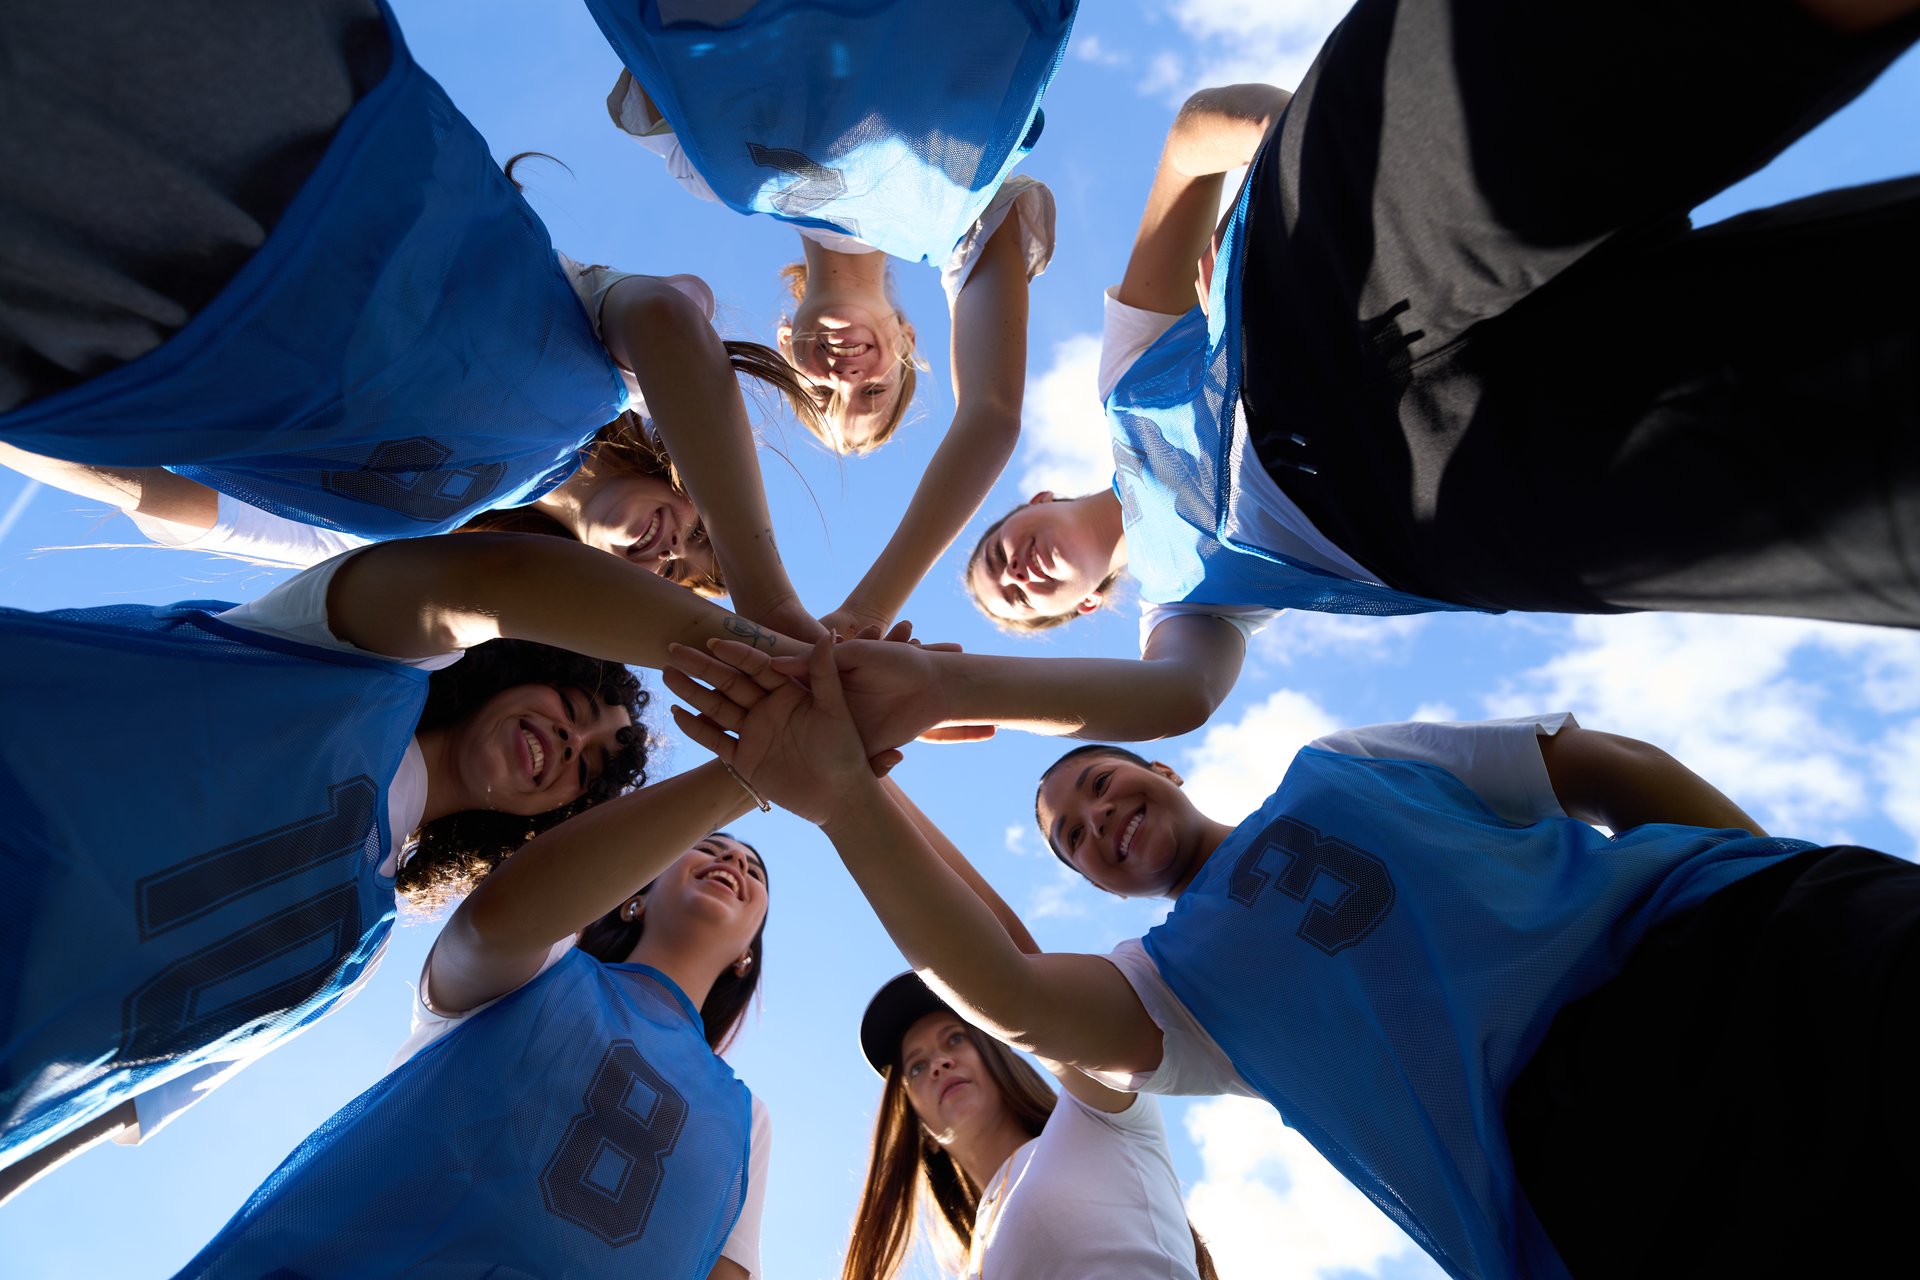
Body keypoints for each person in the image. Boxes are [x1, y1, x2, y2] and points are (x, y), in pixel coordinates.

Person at [668, 635, 1920, 1277]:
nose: (1097, 819)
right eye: (1071, 837)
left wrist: (1757, 879)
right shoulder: (1173, 983)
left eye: (1099, 785)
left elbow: (1590, 761)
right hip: (1595, 1151)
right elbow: (1006, 989)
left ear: (1157, 766)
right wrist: (851, 797)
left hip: (1735, 934)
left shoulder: (1348, 762)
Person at [956, 0, 1920, 733]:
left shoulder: (1123, 379)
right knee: (1829, 459)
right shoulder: (1183, 612)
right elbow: (1177, 702)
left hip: (1316, 298)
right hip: (1427, 501)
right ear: (1085, 606)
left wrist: (1323, 156)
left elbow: (1195, 135)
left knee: (1593, 46)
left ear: (1032, 495)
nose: (1021, 572)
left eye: (1001, 551)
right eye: (1022, 599)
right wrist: (947, 691)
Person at [0, 527, 813, 1198]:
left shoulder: (353, 950)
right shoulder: (348, 653)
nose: (571, 743)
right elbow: (493, 574)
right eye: (570, 708)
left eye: (588, 771)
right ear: (516, 664)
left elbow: (112, 1101)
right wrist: (787, 670)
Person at [0, 1, 821, 636]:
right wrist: (765, 597)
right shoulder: (622, 375)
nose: (674, 550)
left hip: (124, 325)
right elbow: (669, 319)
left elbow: (164, 497)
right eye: (703, 532)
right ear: (690, 482)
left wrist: (22, 420)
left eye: (677, 577)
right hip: (294, 134)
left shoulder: (427, 554)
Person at [588, 0, 1076, 633]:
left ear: (785, 342)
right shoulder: (964, 221)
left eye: (818, 391)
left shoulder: (707, 174)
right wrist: (868, 612)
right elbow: (990, 416)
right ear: (908, 338)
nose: (843, 376)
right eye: (873, 390)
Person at [172, 807, 775, 1279]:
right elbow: (488, 924)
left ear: (748, 956)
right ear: (634, 895)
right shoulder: (546, 964)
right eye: (709, 845)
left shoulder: (746, 1117)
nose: (734, 862)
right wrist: (737, 776)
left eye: (754, 869)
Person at [849, 969, 1217, 1279]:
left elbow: (1038, 1001)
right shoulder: (973, 1264)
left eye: (956, 1039)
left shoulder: (1095, 1115)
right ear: (923, 1134)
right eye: (916, 1066)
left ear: (999, 1054)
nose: (939, 1063)